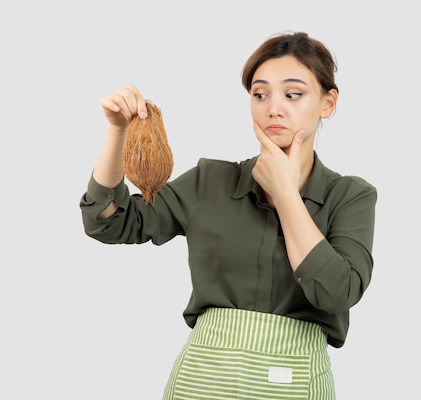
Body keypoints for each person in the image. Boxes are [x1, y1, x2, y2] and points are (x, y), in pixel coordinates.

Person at [79, 31, 376, 400]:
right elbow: (110, 222)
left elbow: (337, 292)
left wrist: (285, 195)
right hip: (199, 384)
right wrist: (116, 130)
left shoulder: (350, 196)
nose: (274, 108)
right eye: (260, 93)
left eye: (293, 94)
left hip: (295, 384)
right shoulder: (210, 181)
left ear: (327, 103)